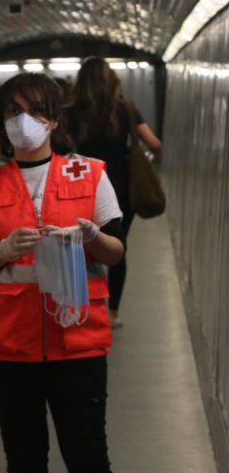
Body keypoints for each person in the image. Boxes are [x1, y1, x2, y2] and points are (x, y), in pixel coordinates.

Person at [0, 72, 126, 473]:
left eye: (33, 110)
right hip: (6, 346)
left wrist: (92, 237)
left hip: (77, 342)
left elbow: (116, 252)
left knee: (88, 455)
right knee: (24, 457)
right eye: (11, 112)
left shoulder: (90, 174)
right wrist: (4, 251)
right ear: (0, 123)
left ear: (54, 119)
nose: (22, 121)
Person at [66, 57, 161, 328]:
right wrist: (141, 157)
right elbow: (154, 143)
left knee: (80, 247)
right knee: (117, 248)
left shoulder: (70, 112)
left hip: (79, 189)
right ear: (112, 81)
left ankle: (80, 305)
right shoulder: (126, 109)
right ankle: (113, 312)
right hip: (120, 189)